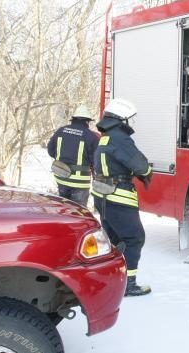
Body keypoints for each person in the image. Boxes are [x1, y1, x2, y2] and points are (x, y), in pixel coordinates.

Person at [91, 98, 153, 297]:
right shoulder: (120, 138)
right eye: (130, 119)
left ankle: (113, 278)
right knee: (134, 239)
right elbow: (141, 165)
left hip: (103, 196)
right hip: (119, 196)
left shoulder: (106, 136)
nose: (131, 123)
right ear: (122, 119)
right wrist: (147, 171)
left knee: (115, 240)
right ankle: (128, 284)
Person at [47, 104, 99, 206]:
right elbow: (96, 161)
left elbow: (50, 151)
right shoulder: (91, 136)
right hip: (80, 183)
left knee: (63, 210)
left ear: (73, 119)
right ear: (87, 121)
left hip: (61, 177)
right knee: (78, 213)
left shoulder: (60, 131)